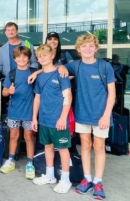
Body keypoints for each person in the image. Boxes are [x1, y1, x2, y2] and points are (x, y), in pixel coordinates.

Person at [64, 34, 116, 200]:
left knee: (99, 147)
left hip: (101, 116)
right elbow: (56, 69)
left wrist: (106, 115)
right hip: (82, 114)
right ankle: (87, 179)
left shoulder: (104, 67)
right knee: (85, 145)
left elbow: (112, 93)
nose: (87, 49)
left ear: (96, 48)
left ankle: (98, 181)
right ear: (78, 49)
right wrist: (38, 73)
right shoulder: (76, 66)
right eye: (84, 46)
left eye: (91, 45)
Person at [31, 44, 73, 194]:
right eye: (39, 56)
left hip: (58, 120)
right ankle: (50, 176)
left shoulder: (61, 73)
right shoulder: (40, 76)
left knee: (62, 149)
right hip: (44, 120)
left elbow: (68, 96)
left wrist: (63, 118)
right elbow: (37, 98)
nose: (42, 58)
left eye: (45, 55)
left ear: (52, 56)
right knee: (47, 147)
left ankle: (66, 179)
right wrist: (34, 118)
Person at [0, 46, 36, 179]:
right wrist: (9, 91)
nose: (22, 59)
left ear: (28, 58)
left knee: (28, 138)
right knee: (13, 136)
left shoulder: (34, 72)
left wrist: (37, 73)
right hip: (14, 111)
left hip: (29, 112)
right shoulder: (11, 73)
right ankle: (10, 160)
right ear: (15, 59)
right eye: (19, 56)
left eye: (25, 56)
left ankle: (30, 163)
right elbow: (4, 92)